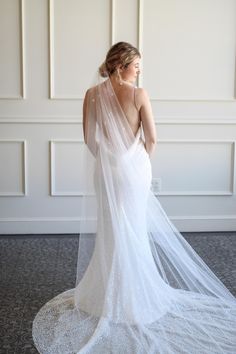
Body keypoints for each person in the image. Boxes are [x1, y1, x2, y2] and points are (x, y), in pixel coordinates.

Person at [32, 42, 236, 354]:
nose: (139, 70)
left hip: (105, 170)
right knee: (133, 229)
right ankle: (133, 299)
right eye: (136, 64)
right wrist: (136, 161)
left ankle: (102, 296)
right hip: (133, 171)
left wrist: (109, 160)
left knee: (111, 229)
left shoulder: (92, 94)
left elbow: (89, 139)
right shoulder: (139, 94)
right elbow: (152, 139)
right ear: (121, 64)